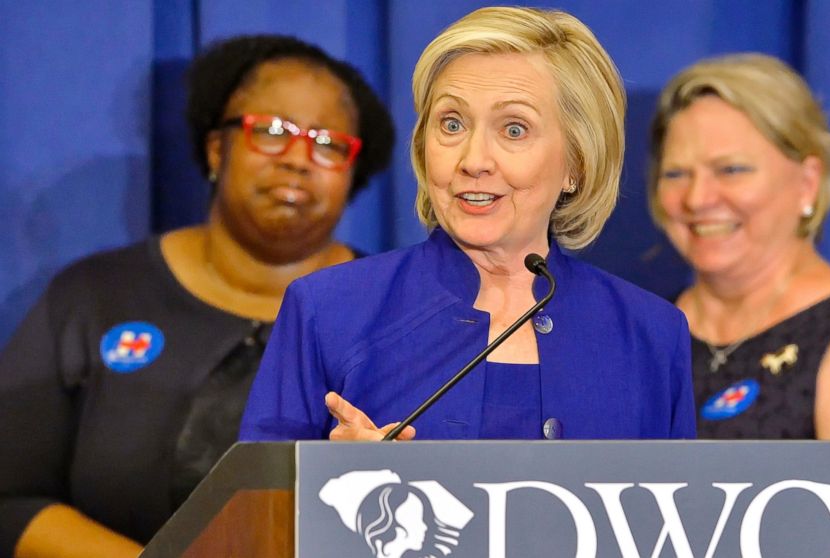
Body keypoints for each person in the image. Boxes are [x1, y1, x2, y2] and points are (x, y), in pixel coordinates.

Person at [0, 34, 395, 557]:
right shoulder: (95, 297)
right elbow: (10, 498)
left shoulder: (398, 312)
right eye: (273, 131)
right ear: (216, 148)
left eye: (328, 144)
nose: (300, 158)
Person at [239, 7, 695, 444]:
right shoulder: (326, 311)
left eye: (514, 129)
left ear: (577, 161)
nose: (473, 161)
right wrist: (334, 485)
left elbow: (676, 520)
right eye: (452, 124)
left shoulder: (652, 335)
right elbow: (259, 512)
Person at [647, 53, 830, 557]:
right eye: (676, 173)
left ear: (807, 181)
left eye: (731, 169)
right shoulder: (645, 330)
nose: (697, 198)